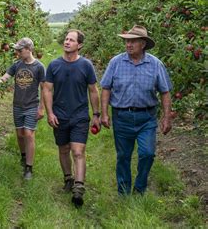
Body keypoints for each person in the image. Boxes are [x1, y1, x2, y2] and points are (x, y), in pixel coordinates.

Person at [100, 25, 173, 195]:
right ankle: (124, 191)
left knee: (147, 154)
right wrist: (104, 113)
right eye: (126, 41)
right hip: (122, 116)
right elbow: (106, 88)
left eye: (132, 41)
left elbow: (165, 91)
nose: (128, 44)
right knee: (123, 156)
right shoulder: (116, 62)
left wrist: (167, 117)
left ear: (143, 44)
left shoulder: (155, 64)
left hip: (146, 117)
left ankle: (140, 188)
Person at [42, 29, 100, 208]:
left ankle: (79, 188)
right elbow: (47, 89)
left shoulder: (86, 65)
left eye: (71, 40)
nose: (67, 42)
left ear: (79, 45)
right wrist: (50, 112)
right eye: (66, 39)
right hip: (60, 115)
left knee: (77, 151)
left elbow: (93, 90)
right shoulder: (54, 65)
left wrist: (96, 114)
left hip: (80, 116)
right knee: (63, 149)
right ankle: (68, 178)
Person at [0, 37, 45, 180]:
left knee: (28, 134)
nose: (17, 52)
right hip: (17, 105)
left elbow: (45, 89)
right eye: (16, 50)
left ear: (29, 49)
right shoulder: (16, 65)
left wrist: (41, 108)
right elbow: (3, 78)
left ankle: (29, 168)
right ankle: (23, 157)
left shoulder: (39, 67)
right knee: (20, 134)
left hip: (31, 105)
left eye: (20, 50)